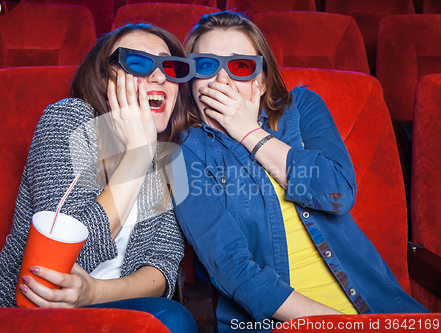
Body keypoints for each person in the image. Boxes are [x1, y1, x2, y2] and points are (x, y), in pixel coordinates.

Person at [172, 11, 428, 332]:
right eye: (206, 65)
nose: (222, 80)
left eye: (240, 67)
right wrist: (343, 327)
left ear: (262, 81)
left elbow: (337, 193)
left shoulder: (303, 107)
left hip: (375, 309)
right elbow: (233, 269)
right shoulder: (182, 152)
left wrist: (248, 133)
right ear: (190, 78)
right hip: (281, 324)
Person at [0, 23, 198, 333]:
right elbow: (58, 259)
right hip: (31, 310)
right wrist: (137, 155)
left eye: (170, 66)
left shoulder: (173, 156)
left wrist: (94, 292)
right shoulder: (68, 120)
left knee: (171, 319)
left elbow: (162, 269)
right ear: (105, 78)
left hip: (111, 310)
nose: (159, 76)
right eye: (138, 62)